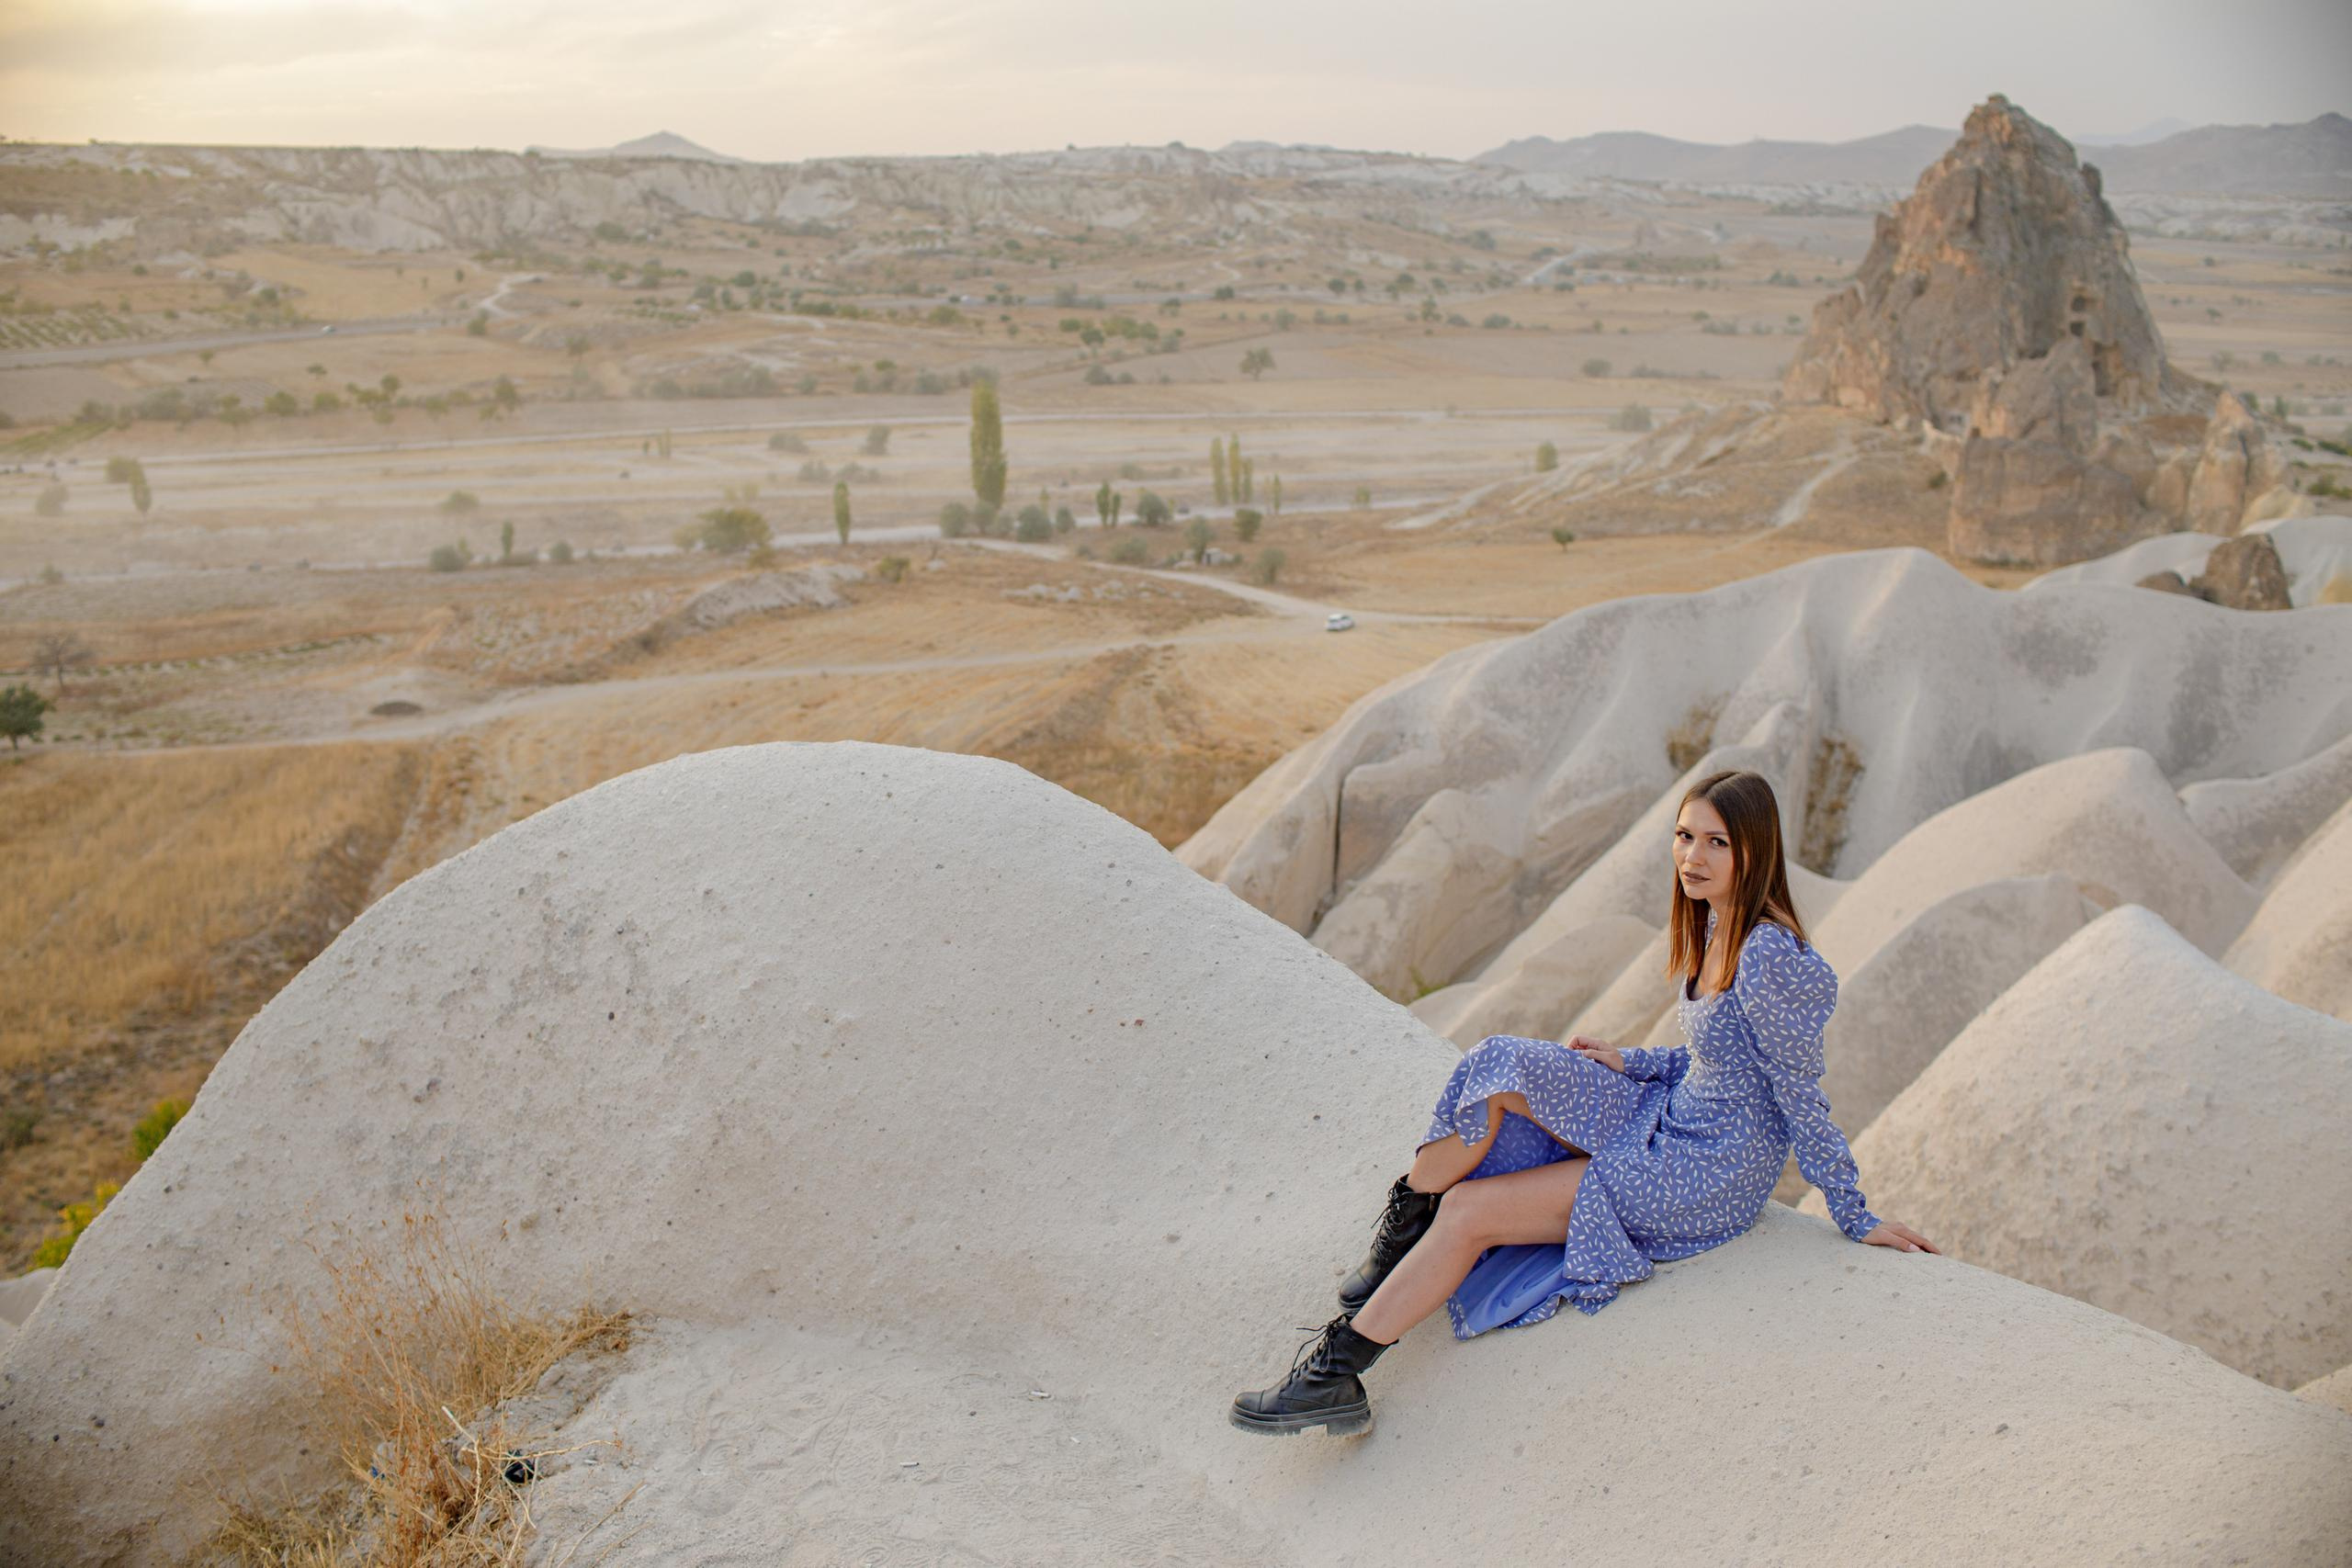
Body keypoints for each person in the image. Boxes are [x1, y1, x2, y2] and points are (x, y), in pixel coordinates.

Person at [1229, 768, 1939, 1437]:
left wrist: (1855, 1213)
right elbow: (1720, 1061)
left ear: (1756, 850)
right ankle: (1400, 1234)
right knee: (1501, 1062)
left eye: (1717, 842)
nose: (1693, 856)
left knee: (1471, 1211)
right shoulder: (1719, 924)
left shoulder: (1770, 954)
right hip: (1672, 1113)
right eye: (1685, 835)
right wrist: (1628, 1061)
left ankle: (1337, 1373)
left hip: (1708, 1168)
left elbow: (1797, 1093)